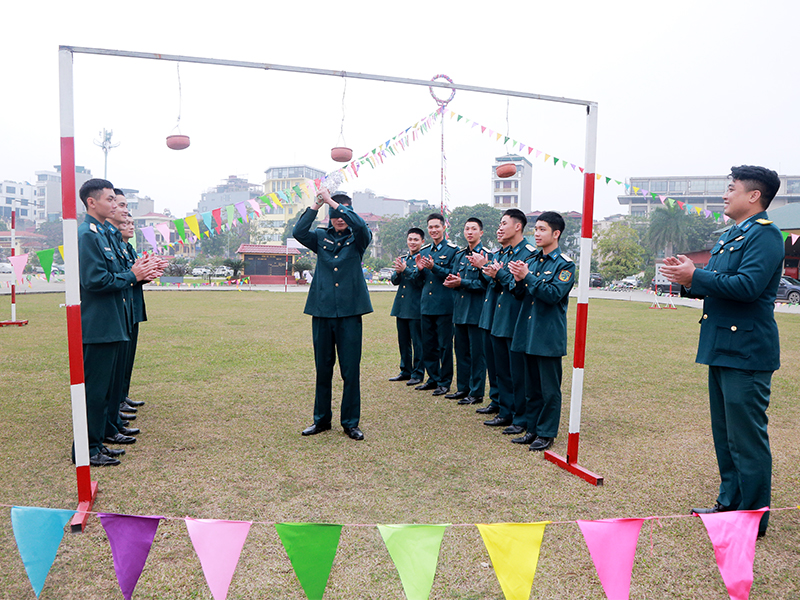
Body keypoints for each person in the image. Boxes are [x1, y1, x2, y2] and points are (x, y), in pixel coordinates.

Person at [661, 165, 783, 537]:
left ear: (754, 196)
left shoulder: (766, 235)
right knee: (726, 434)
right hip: (722, 345)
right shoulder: (732, 235)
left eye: (732, 189)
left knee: (747, 436)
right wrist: (688, 277)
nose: (725, 195)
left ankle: (752, 517)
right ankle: (729, 504)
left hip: (747, 349)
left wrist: (696, 276)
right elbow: (715, 284)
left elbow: (746, 286)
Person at [76, 179, 158, 466]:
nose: (115, 205)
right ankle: (87, 449)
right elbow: (95, 280)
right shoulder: (88, 235)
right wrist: (133, 275)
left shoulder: (103, 234)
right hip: (99, 325)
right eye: (110, 200)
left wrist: (138, 273)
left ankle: (101, 438)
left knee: (107, 390)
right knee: (95, 392)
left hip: (113, 321)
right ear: (92, 202)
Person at [293, 188, 372, 441]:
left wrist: (333, 201)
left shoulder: (359, 237)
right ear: (328, 215)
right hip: (323, 311)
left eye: (343, 210)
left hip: (350, 313)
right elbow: (298, 233)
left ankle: (350, 423)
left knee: (350, 370)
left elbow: (359, 224)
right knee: (323, 368)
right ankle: (321, 420)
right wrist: (316, 205)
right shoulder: (320, 237)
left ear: (349, 212)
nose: (339, 216)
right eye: (334, 212)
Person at [508, 212, 575, 451]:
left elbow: (553, 295)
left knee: (549, 389)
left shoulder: (565, 264)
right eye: (535, 229)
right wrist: (518, 279)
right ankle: (532, 428)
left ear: (556, 234)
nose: (536, 233)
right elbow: (518, 294)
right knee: (531, 386)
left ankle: (546, 433)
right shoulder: (533, 260)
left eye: (542, 229)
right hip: (528, 330)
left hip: (547, 335)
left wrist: (528, 277)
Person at [470, 209, 536, 434]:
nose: (499, 228)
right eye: (499, 224)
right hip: (497, 318)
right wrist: (484, 269)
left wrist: (498, 275)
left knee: (517, 373)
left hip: (514, 319)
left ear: (518, 226)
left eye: (504, 223)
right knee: (501, 370)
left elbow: (519, 288)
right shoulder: (502, 253)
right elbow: (493, 284)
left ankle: (520, 417)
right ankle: (505, 410)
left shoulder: (528, 254)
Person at [412, 214, 459, 396]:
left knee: (445, 346)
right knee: (428, 344)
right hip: (427, 305)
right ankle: (433, 378)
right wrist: (419, 270)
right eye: (430, 227)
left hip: (445, 305)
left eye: (436, 227)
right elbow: (419, 281)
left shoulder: (453, 251)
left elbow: (452, 275)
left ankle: (445, 382)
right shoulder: (423, 252)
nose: (433, 230)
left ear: (444, 227)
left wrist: (434, 267)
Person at [443, 217, 488, 405]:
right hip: (460, 311)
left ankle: (476, 393)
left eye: (473, 229)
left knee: (477, 354)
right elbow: (454, 276)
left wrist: (462, 282)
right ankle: (463, 389)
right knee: (461, 352)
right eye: (467, 229)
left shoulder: (485, 255)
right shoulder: (460, 255)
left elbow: (485, 284)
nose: (469, 232)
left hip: (476, 312)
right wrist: (453, 282)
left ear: (481, 232)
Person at [389, 228, 426, 385]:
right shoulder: (404, 259)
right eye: (410, 239)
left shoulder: (423, 260)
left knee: (418, 342)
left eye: (416, 239)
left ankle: (418, 373)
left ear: (422, 242)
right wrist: (398, 272)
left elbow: (419, 281)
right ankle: (405, 370)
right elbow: (394, 280)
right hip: (401, 306)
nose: (412, 242)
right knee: (403, 341)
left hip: (415, 307)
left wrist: (406, 270)